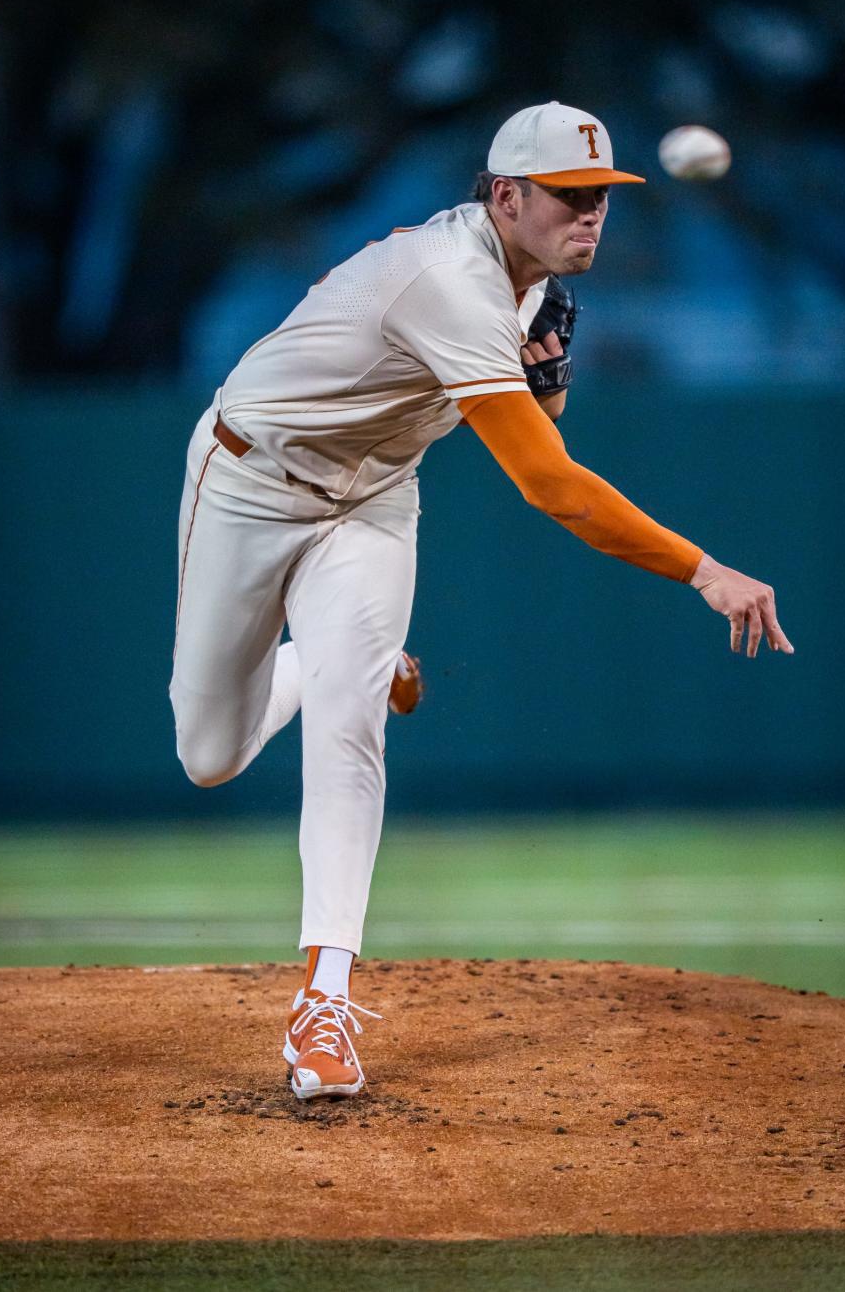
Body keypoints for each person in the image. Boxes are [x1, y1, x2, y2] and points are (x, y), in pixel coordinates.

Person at [169, 101, 794, 1102]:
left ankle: (324, 1005)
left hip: (373, 498)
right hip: (252, 479)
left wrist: (547, 375)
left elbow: (537, 417)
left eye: (602, 198)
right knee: (208, 754)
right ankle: (333, 664)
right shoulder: (454, 282)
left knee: (348, 732)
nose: (591, 215)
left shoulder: (533, 288)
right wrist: (702, 567)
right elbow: (549, 483)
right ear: (507, 196)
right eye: (568, 198)